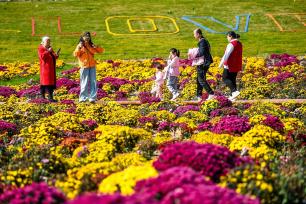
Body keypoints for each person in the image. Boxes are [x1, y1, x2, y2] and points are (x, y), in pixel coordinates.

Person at [73, 32, 104, 103]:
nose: (87, 38)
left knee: (93, 82)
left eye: (88, 37)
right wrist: (78, 47)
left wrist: (96, 47)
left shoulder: (91, 45)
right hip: (84, 66)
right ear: (82, 38)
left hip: (92, 66)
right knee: (84, 82)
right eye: (85, 37)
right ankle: (83, 98)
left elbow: (101, 51)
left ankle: (92, 98)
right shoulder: (80, 46)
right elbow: (75, 54)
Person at [219, 31, 243, 101]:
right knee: (232, 80)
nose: (227, 38)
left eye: (227, 36)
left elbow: (226, 55)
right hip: (237, 64)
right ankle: (233, 96)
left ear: (231, 36)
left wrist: (220, 64)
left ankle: (234, 91)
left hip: (230, 64)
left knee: (225, 78)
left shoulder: (231, 44)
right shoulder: (239, 43)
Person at [193, 28, 215, 102]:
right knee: (199, 79)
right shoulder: (203, 41)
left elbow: (201, 52)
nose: (194, 36)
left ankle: (211, 93)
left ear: (198, 34)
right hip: (204, 62)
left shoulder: (202, 41)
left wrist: (193, 55)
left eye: (194, 34)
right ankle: (199, 95)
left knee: (201, 79)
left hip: (203, 63)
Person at [38, 36, 59, 102]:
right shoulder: (41, 48)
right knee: (46, 83)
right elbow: (42, 57)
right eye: (47, 41)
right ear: (43, 42)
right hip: (45, 69)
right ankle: (47, 97)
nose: (49, 42)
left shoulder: (49, 48)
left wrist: (56, 55)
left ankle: (47, 97)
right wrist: (47, 51)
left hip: (51, 69)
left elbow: (53, 56)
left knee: (48, 83)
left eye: (49, 41)